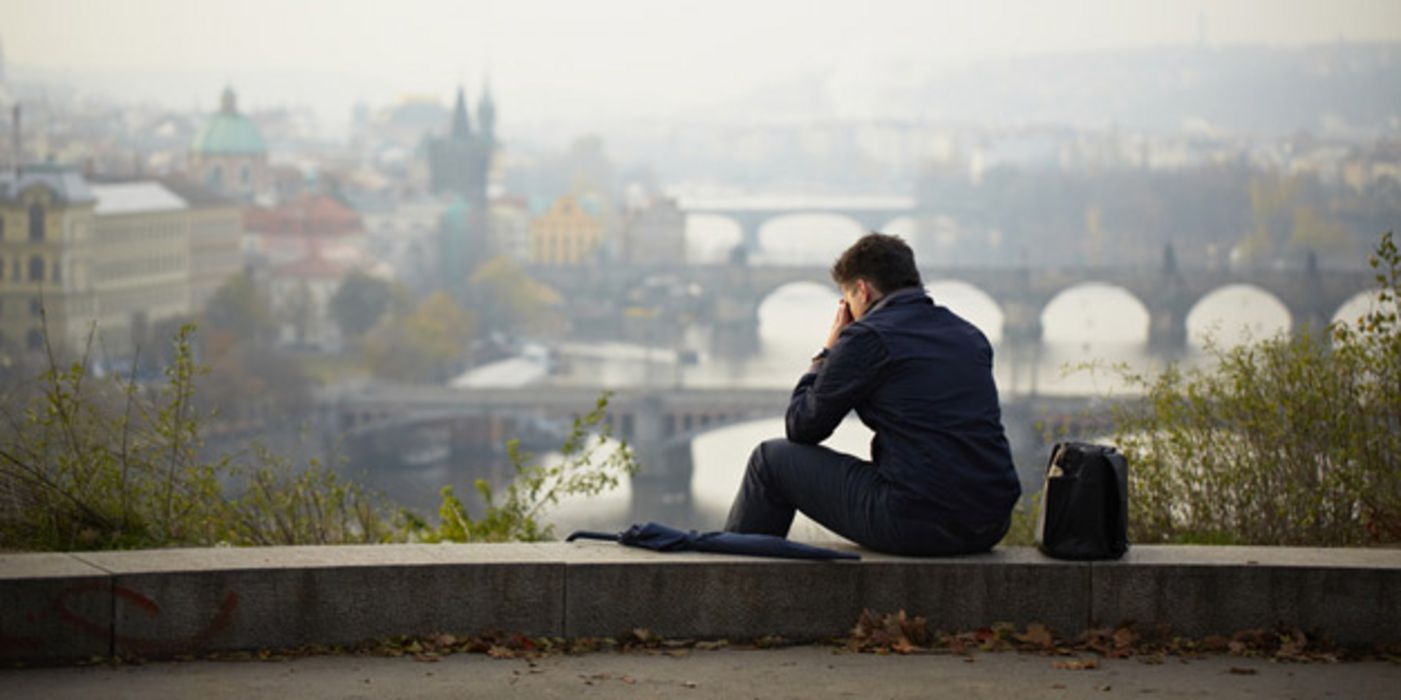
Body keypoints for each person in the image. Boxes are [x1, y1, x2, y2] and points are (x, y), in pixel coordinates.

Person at [723, 232, 1021, 556]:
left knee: (769, 460)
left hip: (915, 521)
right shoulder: (969, 335)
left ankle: (731, 582)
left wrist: (827, 350)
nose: (849, 310)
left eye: (847, 299)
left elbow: (803, 426)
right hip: (990, 522)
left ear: (862, 290)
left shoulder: (868, 337)